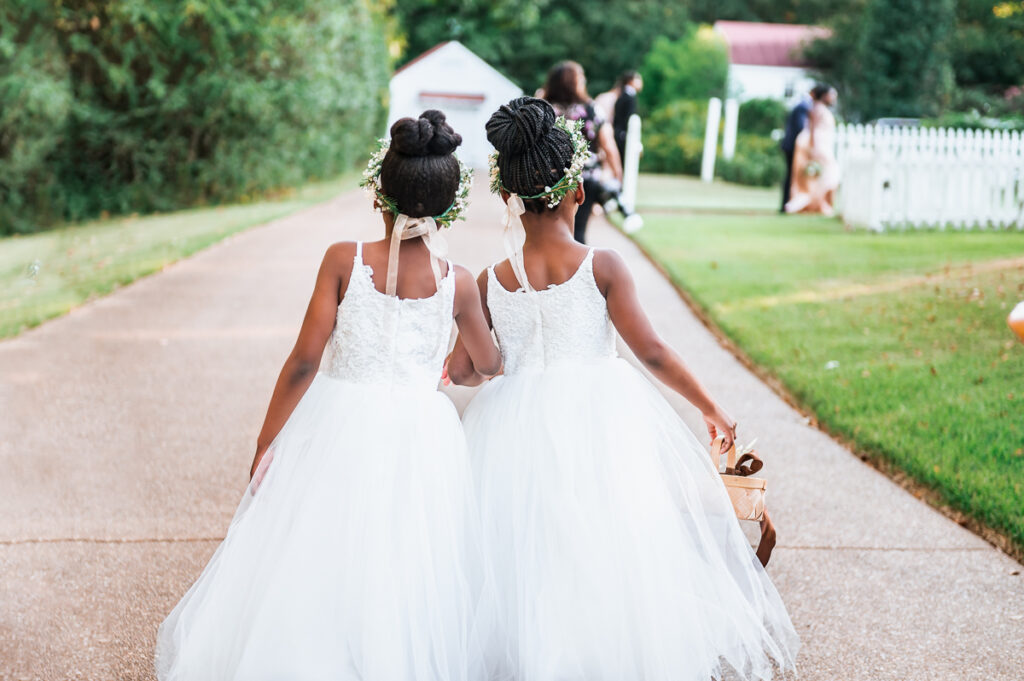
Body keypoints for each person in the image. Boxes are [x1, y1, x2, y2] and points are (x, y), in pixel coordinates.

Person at [448, 96, 799, 681]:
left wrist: (459, 365)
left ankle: (528, 657)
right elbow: (653, 351)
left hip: (509, 424)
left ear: (510, 199)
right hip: (598, 418)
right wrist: (711, 408)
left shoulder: (492, 278)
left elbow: (467, 369)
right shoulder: (601, 265)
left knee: (522, 544)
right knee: (608, 537)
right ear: (578, 192)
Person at [154, 111, 502, 680]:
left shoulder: (346, 260)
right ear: (448, 207)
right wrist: (463, 364)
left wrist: (267, 442)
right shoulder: (458, 281)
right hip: (422, 430)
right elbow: (485, 364)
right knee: (407, 554)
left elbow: (304, 361)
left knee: (322, 547)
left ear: (378, 193)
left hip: (339, 419)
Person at [542, 60, 622, 244]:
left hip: (549, 179)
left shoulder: (543, 110)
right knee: (577, 231)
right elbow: (608, 144)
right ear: (573, 82)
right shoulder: (592, 110)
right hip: (585, 178)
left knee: (549, 230)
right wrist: (618, 174)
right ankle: (577, 269)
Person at [785, 84, 840, 216]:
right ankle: (816, 204)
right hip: (819, 145)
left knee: (823, 176)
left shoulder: (820, 109)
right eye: (831, 95)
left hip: (824, 144)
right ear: (824, 95)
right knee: (829, 173)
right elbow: (813, 128)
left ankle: (821, 203)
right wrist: (814, 147)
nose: (833, 98)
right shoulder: (816, 109)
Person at [780, 89, 813, 212]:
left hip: (792, 145)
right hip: (794, 147)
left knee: (792, 176)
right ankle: (787, 204)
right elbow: (801, 127)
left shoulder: (801, 106)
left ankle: (788, 203)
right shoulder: (803, 107)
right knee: (791, 176)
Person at [612, 69, 642, 162]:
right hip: (623, 136)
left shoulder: (624, 95)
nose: (641, 82)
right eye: (638, 79)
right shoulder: (629, 97)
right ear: (631, 81)